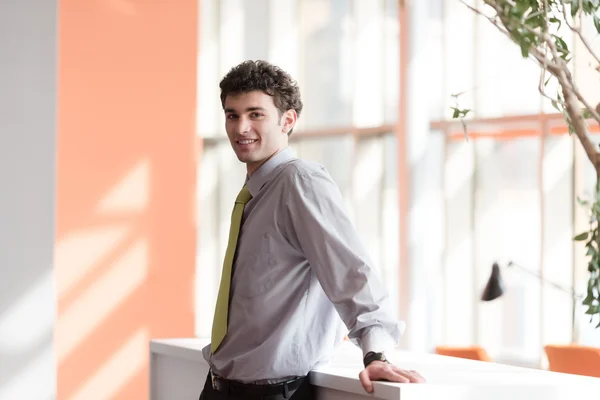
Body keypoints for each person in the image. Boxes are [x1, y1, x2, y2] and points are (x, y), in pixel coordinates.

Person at [199, 60, 425, 400]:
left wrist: (375, 353)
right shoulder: (256, 191)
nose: (241, 127)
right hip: (219, 386)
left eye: (255, 114)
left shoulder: (300, 182)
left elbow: (352, 272)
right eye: (233, 115)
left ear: (287, 120)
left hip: (268, 394)